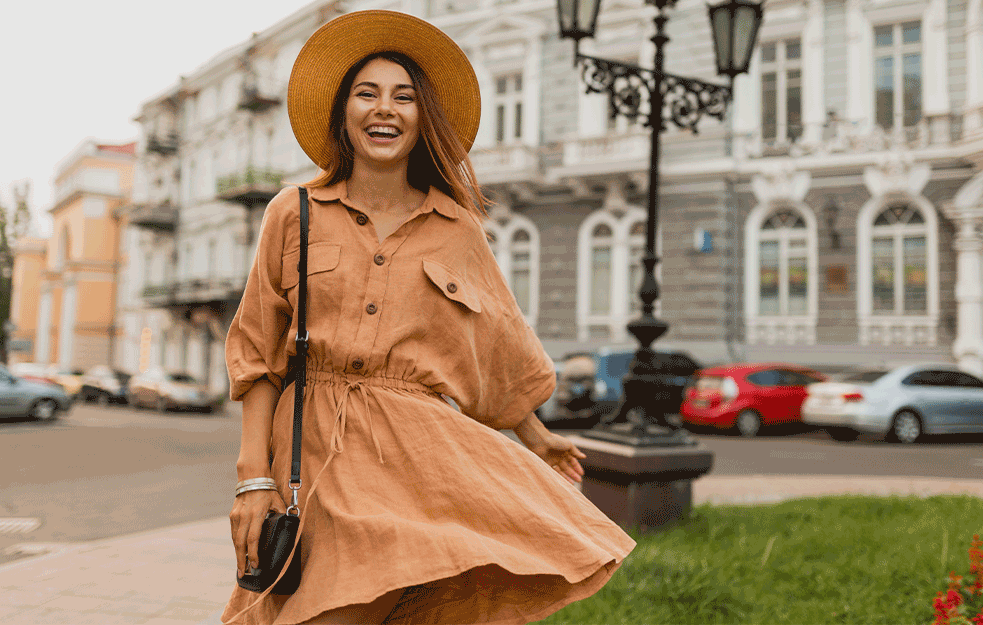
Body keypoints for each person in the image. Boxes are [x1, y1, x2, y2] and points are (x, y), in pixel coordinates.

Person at [223, 10, 636, 625]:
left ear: (423, 119)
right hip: (312, 448)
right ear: (343, 114)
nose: (384, 109)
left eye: (404, 97)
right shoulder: (295, 210)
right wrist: (254, 481)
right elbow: (257, 353)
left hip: (417, 453)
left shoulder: (457, 228)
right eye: (367, 94)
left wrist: (537, 436)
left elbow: (494, 344)